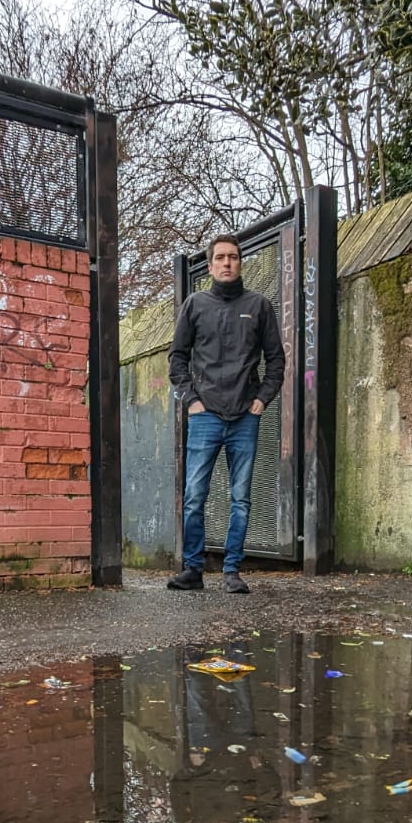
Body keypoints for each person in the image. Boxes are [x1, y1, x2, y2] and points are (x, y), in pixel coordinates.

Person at [167, 234, 286, 593]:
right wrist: (191, 400)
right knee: (194, 497)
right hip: (204, 415)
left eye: (233, 257)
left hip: (244, 417)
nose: (227, 263)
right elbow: (177, 358)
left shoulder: (259, 305)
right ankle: (193, 570)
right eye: (220, 257)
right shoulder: (195, 305)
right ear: (211, 264)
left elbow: (276, 360)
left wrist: (261, 400)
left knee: (241, 498)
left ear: (240, 261)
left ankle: (232, 570)